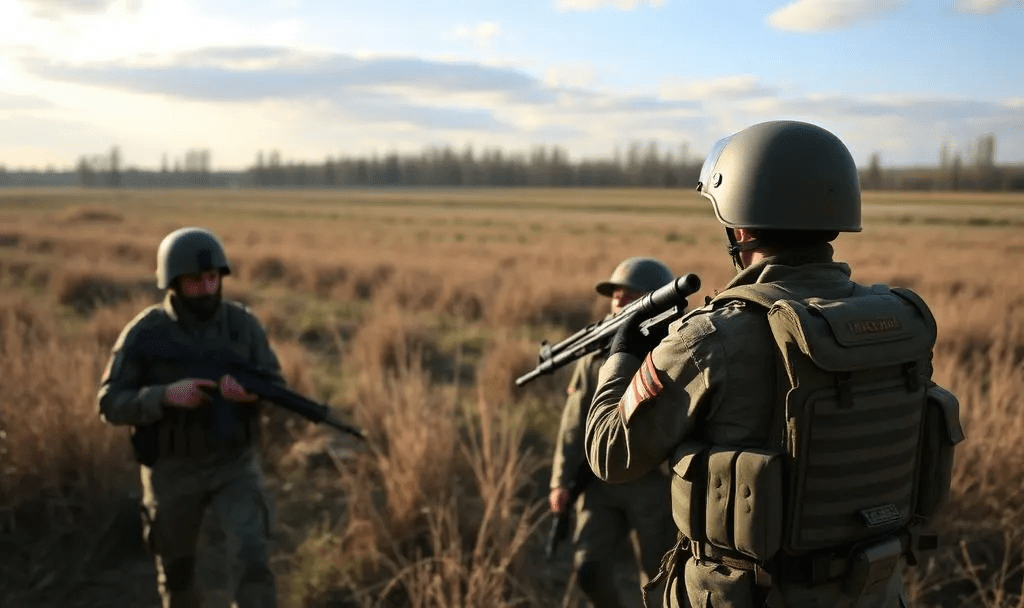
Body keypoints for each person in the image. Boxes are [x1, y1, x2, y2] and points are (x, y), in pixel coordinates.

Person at [584, 121, 963, 607]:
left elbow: (610, 453)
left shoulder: (709, 338)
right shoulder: (896, 322)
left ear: (740, 227)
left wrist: (621, 356)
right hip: (873, 591)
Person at [98, 227, 282, 608]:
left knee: (252, 557)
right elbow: (110, 403)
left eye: (212, 277)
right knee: (177, 573)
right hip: (172, 470)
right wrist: (165, 396)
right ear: (174, 283)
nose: (206, 287)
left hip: (233, 463)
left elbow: (276, 387)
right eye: (195, 281)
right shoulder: (145, 334)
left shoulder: (242, 326)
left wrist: (253, 394)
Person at [549, 257, 679, 608]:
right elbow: (575, 421)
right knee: (589, 569)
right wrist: (561, 480)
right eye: (615, 295)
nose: (618, 301)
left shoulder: (673, 350)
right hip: (600, 480)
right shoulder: (595, 352)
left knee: (660, 579)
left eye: (629, 295)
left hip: (654, 483)